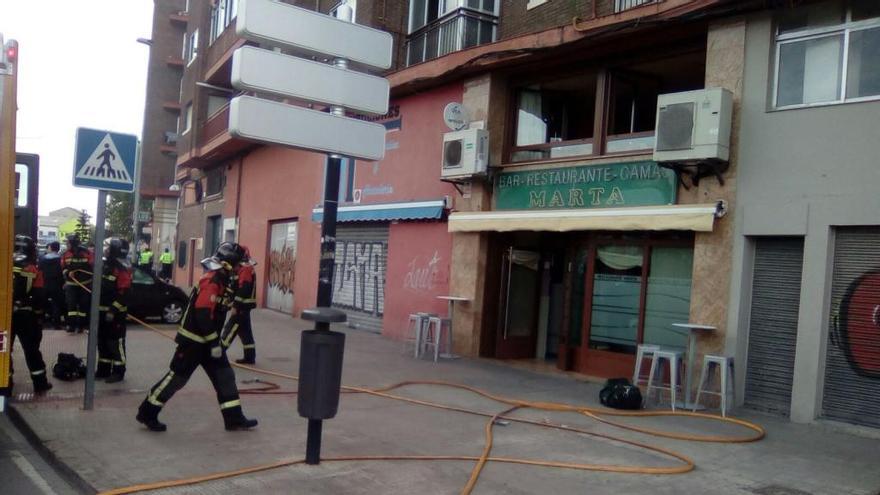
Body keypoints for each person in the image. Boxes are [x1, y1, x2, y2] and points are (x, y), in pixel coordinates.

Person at [136, 242, 258, 432]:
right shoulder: (213, 279)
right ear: (229, 263)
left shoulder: (225, 279)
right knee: (177, 379)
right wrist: (213, 341)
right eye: (237, 264)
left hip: (210, 343)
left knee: (225, 377)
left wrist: (214, 342)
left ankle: (234, 419)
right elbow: (202, 313)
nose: (239, 268)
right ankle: (147, 412)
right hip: (193, 342)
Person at [11, 235, 52, 393]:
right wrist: (39, 315)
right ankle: (40, 384)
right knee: (32, 349)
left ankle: (5, 383)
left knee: (3, 348)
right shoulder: (33, 268)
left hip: (5, 316)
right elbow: (40, 295)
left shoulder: (4, 262)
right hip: (26, 316)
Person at [97, 239, 133, 383]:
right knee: (102, 342)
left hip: (115, 315)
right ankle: (103, 369)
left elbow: (125, 293)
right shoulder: (106, 264)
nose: (105, 249)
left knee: (115, 343)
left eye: (107, 247)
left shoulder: (122, 268)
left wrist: (112, 310)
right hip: (101, 312)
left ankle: (119, 372)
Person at [221, 246, 258, 364]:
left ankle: (217, 355)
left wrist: (235, 306)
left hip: (242, 306)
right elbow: (234, 286)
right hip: (243, 306)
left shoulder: (245, 268)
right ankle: (249, 357)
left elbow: (244, 288)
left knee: (230, 329)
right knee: (245, 332)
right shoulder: (240, 267)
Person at [61, 234, 94, 334]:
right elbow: (63, 267)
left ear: (72, 243)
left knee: (84, 306)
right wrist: (67, 273)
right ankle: (71, 326)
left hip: (85, 284)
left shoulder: (87, 253)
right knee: (71, 306)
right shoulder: (65, 254)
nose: (66, 244)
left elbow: (92, 266)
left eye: (68, 242)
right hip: (71, 284)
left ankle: (81, 326)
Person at [38, 241, 65, 329]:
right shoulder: (60, 259)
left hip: (44, 284)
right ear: (58, 248)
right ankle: (56, 324)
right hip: (57, 285)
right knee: (56, 304)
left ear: (50, 248)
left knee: (42, 303)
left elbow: (39, 271)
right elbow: (62, 272)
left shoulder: (42, 258)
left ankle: (41, 322)